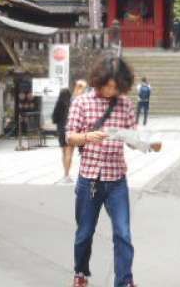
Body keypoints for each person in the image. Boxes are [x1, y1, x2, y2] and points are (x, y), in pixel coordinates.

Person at [67, 55, 155, 287]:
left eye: (116, 87)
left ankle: (124, 280)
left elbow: (133, 137)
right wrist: (87, 136)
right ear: (98, 80)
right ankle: (80, 273)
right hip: (90, 178)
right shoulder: (82, 103)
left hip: (116, 178)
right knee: (84, 232)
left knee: (123, 232)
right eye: (107, 85)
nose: (110, 90)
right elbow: (69, 136)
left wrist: (147, 143)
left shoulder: (125, 104)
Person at [52, 88, 73, 183]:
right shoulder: (72, 104)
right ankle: (67, 174)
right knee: (69, 153)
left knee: (64, 153)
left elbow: (54, 118)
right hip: (71, 130)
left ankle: (65, 174)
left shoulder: (58, 104)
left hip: (61, 130)